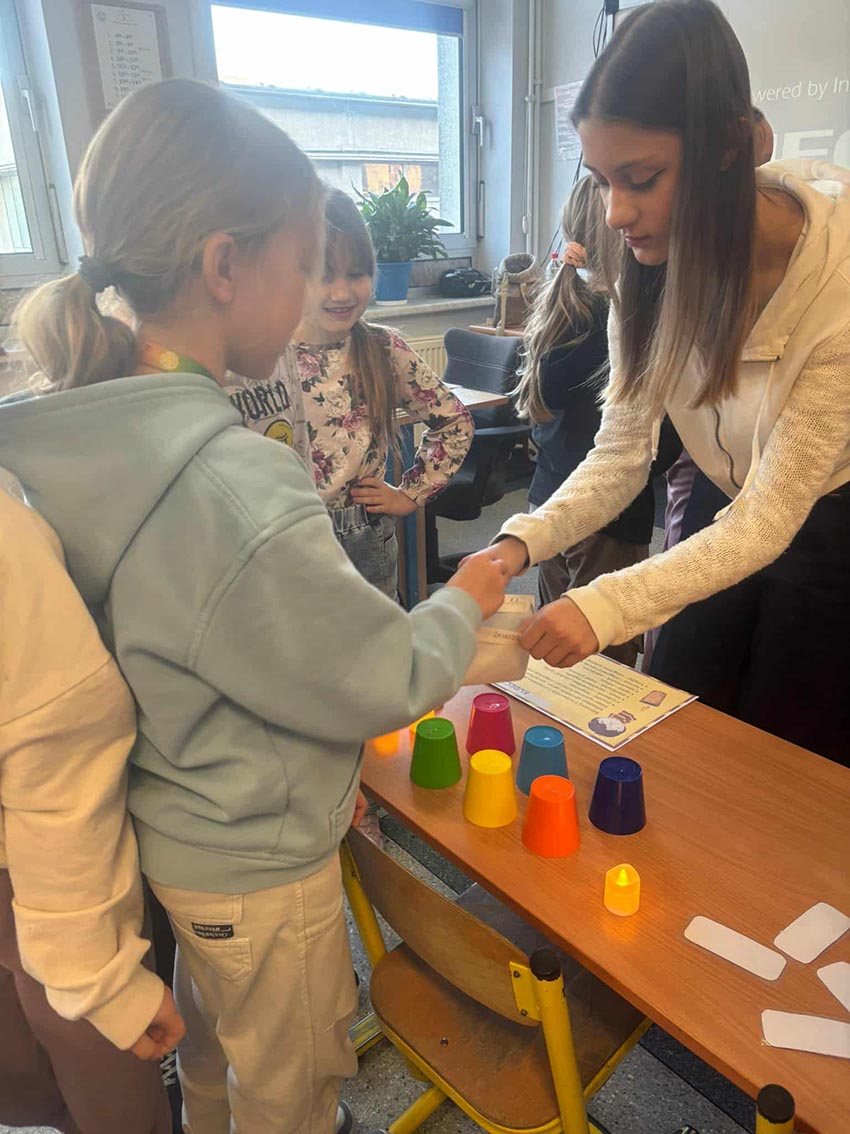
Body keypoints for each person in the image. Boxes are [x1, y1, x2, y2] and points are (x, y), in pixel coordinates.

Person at [0, 78, 506, 1134]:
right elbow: (385, 673)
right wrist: (468, 593)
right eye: (305, 264)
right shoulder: (233, 485)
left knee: (216, 1061)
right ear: (226, 266)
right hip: (263, 865)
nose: (316, 291)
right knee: (293, 1086)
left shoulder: (77, 437)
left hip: (179, 841)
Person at [471, 0, 850, 764]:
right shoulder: (648, 266)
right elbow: (621, 456)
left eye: (641, 179)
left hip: (827, 511)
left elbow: (769, 518)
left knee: (789, 742)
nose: (616, 213)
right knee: (680, 698)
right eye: (603, 181)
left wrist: (604, 603)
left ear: (735, 147)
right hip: (724, 489)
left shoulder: (836, 284)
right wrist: (515, 545)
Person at [0, 471, 182, 1134]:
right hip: (40, 882)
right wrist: (105, 979)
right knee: (108, 1085)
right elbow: (54, 748)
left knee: (39, 1075)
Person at [242, 188, 472, 601]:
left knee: (376, 641)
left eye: (356, 273)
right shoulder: (258, 354)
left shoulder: (384, 349)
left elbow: (454, 421)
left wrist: (411, 493)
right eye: (323, 275)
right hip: (278, 540)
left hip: (361, 536)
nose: (342, 293)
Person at [515, 175, 679, 667]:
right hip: (606, 515)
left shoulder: (563, 302)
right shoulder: (625, 317)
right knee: (602, 651)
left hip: (548, 497)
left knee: (552, 641)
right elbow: (654, 443)